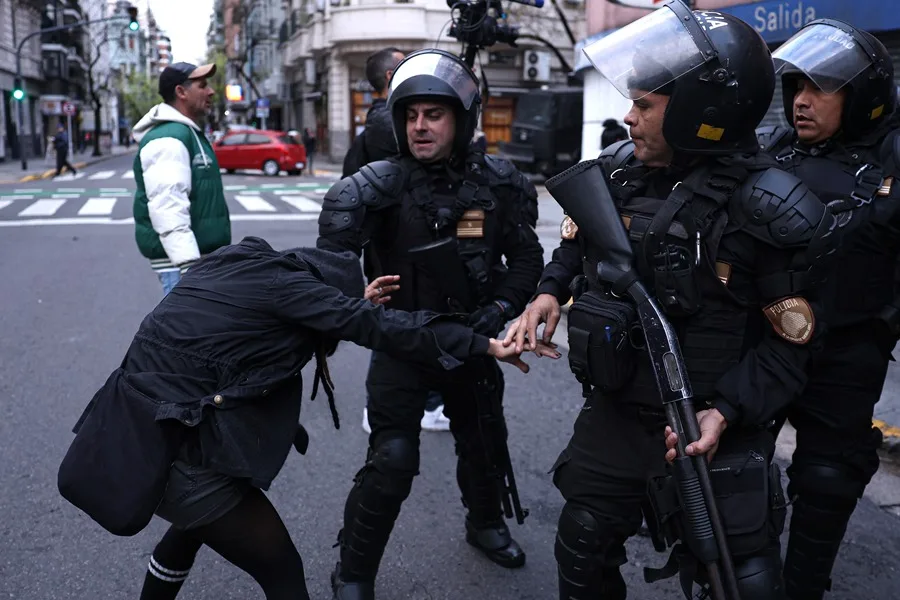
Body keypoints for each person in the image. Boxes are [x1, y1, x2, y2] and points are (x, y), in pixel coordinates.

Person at [505, 5, 845, 599]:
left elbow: (791, 346)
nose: (628, 118)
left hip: (714, 427)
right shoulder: (617, 175)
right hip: (616, 413)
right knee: (581, 546)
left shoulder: (766, 208)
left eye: (644, 105)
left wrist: (727, 413)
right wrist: (548, 292)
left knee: (744, 579)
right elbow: (576, 245)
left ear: (699, 112)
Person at [58, 235, 534, 600]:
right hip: (177, 449)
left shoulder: (239, 265)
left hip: (136, 427)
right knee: (281, 569)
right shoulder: (290, 291)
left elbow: (316, 315)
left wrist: (345, 305)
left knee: (194, 528)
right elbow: (374, 327)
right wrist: (482, 344)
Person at [319, 48, 548, 600]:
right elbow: (324, 270)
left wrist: (498, 311)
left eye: (434, 114)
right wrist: (356, 294)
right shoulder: (374, 185)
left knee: (485, 441)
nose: (420, 126)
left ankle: (486, 524)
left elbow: (525, 260)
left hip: (474, 340)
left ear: (461, 119)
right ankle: (353, 570)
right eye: (411, 114)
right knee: (393, 459)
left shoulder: (499, 182)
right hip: (401, 343)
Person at [754, 20, 900, 600]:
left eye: (821, 88)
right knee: (735, 464)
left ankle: (803, 587)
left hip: (848, 348)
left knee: (827, 477)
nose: (800, 101)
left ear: (862, 97)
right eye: (795, 88)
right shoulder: (779, 151)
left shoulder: (894, 155)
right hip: (766, 340)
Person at [131, 62, 230, 296]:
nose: (211, 91)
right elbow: (168, 205)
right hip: (183, 267)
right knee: (191, 331)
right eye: (202, 85)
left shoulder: (186, 133)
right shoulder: (169, 138)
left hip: (195, 263)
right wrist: (189, 268)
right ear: (181, 92)